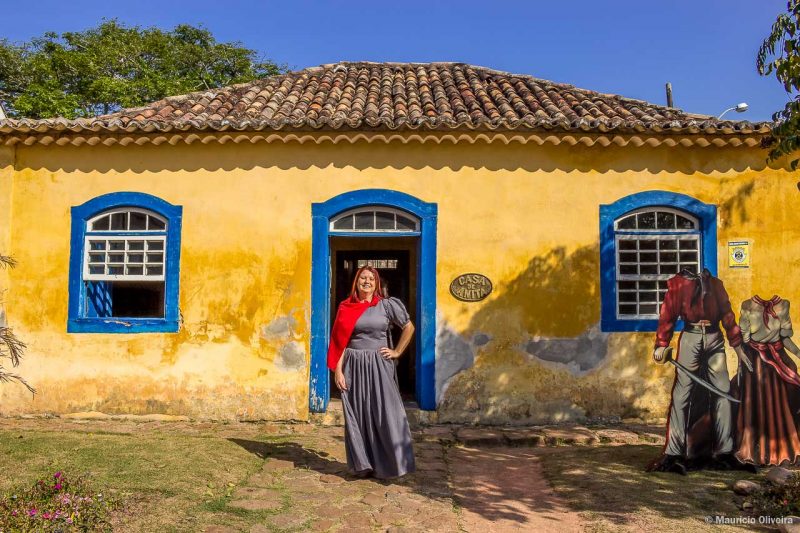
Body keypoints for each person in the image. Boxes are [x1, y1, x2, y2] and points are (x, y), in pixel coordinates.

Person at [648, 268, 753, 474]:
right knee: (682, 393)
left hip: (715, 337)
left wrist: (738, 347)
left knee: (723, 391)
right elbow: (667, 315)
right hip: (691, 337)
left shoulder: (716, 284)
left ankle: (725, 451)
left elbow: (727, 315)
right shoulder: (678, 285)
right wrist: (661, 343)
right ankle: (673, 453)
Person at [326, 266, 416, 479]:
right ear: (355, 282)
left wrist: (397, 351)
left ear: (376, 284)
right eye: (362, 278)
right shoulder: (345, 307)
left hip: (379, 363)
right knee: (358, 413)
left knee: (387, 411)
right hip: (353, 364)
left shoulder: (386, 305)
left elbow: (408, 327)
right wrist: (338, 371)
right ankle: (363, 464)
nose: (366, 281)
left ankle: (393, 464)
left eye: (371, 279)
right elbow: (339, 342)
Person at [732, 295, 800, 466]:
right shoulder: (747, 305)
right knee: (754, 400)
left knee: (789, 389)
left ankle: (781, 446)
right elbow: (744, 339)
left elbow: (785, 339)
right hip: (755, 360)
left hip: (777, 357)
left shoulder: (784, 305)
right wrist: (742, 358)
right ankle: (757, 449)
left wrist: (799, 353)